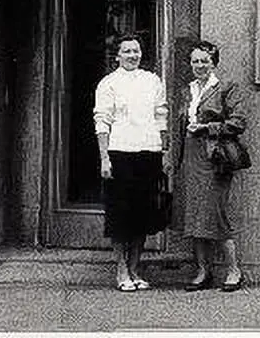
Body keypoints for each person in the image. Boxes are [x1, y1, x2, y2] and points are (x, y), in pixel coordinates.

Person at [94, 34, 169, 292]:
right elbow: (102, 121)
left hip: (149, 152)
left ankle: (136, 267)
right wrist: (105, 157)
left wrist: (164, 151)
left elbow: (161, 116)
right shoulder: (108, 83)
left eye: (136, 51)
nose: (132, 55)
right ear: (117, 55)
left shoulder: (152, 81)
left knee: (143, 213)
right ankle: (121, 269)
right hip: (119, 153)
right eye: (127, 51)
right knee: (120, 213)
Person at [174, 40, 249, 292]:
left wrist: (207, 127)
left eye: (204, 61)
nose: (199, 65)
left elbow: (238, 122)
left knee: (215, 213)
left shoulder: (226, 87)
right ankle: (203, 271)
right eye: (195, 61)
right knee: (194, 214)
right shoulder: (188, 89)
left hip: (214, 156)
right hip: (191, 156)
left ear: (214, 63)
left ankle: (233, 270)